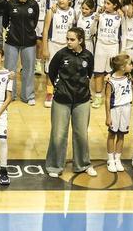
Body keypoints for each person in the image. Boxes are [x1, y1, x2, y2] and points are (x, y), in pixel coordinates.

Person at [45, 26, 96, 177]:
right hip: (62, 100)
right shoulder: (61, 55)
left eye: (72, 39)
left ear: (80, 40)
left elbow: (89, 73)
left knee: (81, 134)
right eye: (67, 39)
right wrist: (59, 88)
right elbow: (52, 73)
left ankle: (82, 164)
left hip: (82, 100)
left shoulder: (88, 56)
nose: (68, 42)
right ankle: (54, 166)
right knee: (58, 134)